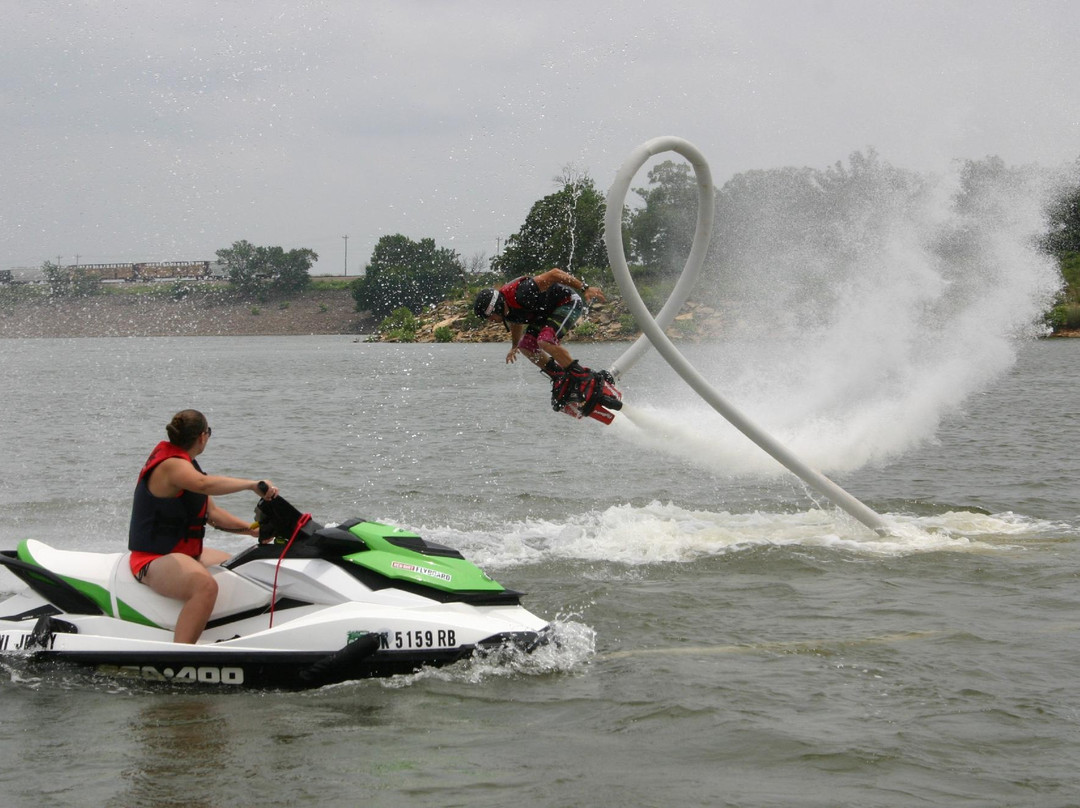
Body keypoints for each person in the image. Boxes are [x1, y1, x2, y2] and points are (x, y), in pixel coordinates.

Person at [128, 409, 279, 644]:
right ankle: (181, 656)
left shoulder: (188, 466)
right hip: (152, 558)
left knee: (240, 567)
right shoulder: (172, 467)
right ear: (202, 437)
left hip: (181, 552)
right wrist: (251, 485)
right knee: (205, 587)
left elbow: (213, 514)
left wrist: (254, 530)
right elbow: (204, 484)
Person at [473, 269, 621, 416]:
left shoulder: (523, 292)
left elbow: (554, 274)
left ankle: (583, 378)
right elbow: (516, 322)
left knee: (545, 340)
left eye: (489, 316)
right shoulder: (507, 310)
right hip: (544, 314)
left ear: (496, 307)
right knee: (526, 346)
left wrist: (585, 288)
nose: (490, 321)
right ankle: (560, 376)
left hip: (567, 302)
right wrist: (514, 346)